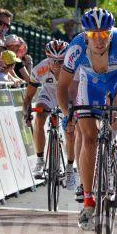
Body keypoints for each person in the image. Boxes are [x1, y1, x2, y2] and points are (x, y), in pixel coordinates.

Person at [56, 8, 117, 230]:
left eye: (104, 34)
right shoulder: (76, 48)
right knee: (89, 138)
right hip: (91, 82)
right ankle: (89, 202)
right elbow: (62, 86)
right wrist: (67, 114)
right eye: (93, 35)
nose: (99, 40)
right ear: (85, 35)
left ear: (111, 33)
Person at [23, 39, 77, 187]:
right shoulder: (40, 69)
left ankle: (70, 168)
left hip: (68, 95)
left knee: (70, 130)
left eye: (61, 61)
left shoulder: (74, 68)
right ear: (47, 58)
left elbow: (78, 92)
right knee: (39, 117)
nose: (56, 64)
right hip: (49, 94)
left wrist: (73, 112)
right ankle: (40, 160)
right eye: (53, 60)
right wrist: (27, 113)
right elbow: (28, 97)